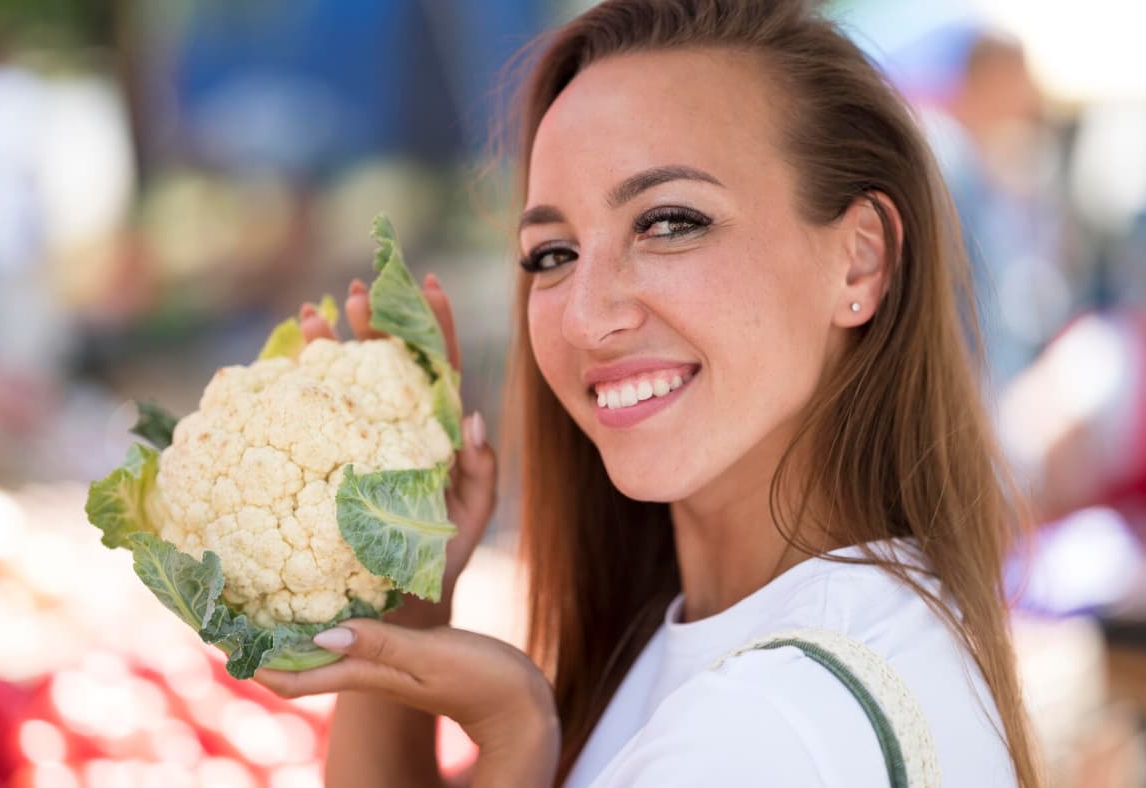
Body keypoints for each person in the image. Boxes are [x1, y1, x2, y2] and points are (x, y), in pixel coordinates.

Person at [254, 1, 1041, 785]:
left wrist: (518, 736)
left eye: (669, 223)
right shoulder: (754, 635)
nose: (589, 318)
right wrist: (410, 592)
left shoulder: (766, 732)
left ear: (860, 262)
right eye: (552, 253)